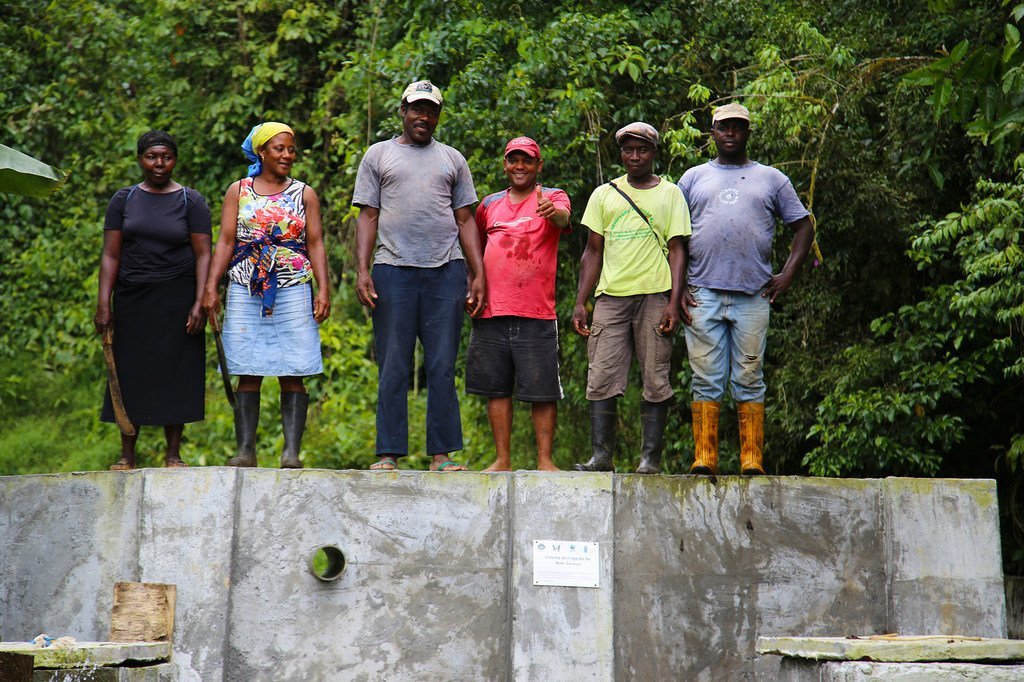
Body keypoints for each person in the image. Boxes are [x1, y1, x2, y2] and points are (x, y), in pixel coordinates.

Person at [353, 80, 486, 472]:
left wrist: (478, 275)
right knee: (394, 362)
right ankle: (388, 453)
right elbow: (368, 215)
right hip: (393, 270)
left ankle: (441, 455)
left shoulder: (452, 159)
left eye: (431, 111)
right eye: (417, 109)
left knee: (442, 364)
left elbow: (466, 220)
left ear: (438, 116)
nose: (423, 117)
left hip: (446, 271)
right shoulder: (378, 155)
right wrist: (363, 270)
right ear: (403, 111)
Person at [677, 102, 814, 475]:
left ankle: (751, 458)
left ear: (748, 132)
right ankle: (705, 458)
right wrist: (675, 292)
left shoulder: (771, 178)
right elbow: (671, 236)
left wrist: (787, 273)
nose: (731, 133)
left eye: (739, 127)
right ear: (713, 133)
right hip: (702, 292)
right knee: (705, 377)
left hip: (753, 294)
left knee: (750, 376)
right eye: (724, 127)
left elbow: (803, 226)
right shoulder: (692, 178)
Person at [202, 122, 331, 469]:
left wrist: (323, 288)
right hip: (247, 286)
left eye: (291, 149)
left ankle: (290, 452)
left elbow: (315, 243)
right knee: (248, 367)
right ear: (262, 152)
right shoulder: (239, 190)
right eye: (279, 149)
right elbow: (226, 241)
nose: (287, 155)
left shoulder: (304, 194)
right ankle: (246, 450)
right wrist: (211, 287)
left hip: (292, 286)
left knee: (293, 368)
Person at [571, 122, 690, 474]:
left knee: (655, 376)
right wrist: (581, 301)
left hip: (654, 295)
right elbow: (593, 252)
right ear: (620, 153)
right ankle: (601, 457)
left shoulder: (670, 194)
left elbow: (678, 250)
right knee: (601, 374)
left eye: (642, 150)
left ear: (653, 153)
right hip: (611, 298)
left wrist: (674, 301)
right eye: (628, 150)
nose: (634, 156)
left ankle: (650, 460)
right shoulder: (604, 194)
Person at [95, 130, 212, 470]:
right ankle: (127, 453)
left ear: (175, 160)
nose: (159, 164)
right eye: (152, 157)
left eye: (167, 157)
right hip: (133, 297)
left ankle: (173, 454)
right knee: (130, 372)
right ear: (140, 159)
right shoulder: (124, 200)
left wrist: (200, 300)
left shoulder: (192, 201)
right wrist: (105, 303)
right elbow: (111, 255)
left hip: (178, 296)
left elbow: (204, 252)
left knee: (177, 372)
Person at [467, 137, 571, 472]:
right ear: (505, 164)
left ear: (539, 165)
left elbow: (564, 218)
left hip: (537, 310)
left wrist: (552, 213)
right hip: (492, 310)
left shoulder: (552, 196)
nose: (520, 166)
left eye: (527, 160)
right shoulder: (489, 203)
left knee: (542, 390)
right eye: (514, 160)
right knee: (496, 388)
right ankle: (502, 460)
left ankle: (545, 460)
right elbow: (477, 246)